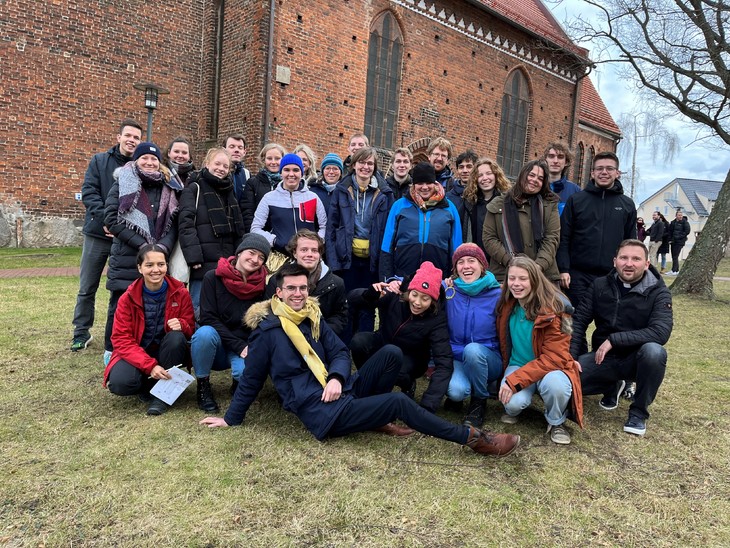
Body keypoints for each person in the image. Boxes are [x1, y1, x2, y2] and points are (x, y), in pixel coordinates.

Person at [199, 262, 521, 458]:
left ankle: (374, 418)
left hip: (341, 389)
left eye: (302, 287)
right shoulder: (267, 332)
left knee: (390, 354)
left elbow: (339, 350)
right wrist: (231, 418)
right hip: (321, 411)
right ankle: (474, 439)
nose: (298, 293)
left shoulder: (312, 316)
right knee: (398, 402)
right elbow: (252, 379)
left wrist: (339, 377)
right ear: (278, 293)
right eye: (291, 289)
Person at [573, 240, 673, 436]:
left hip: (636, 360)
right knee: (565, 384)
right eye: (624, 258)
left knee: (655, 352)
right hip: (603, 358)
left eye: (636, 259)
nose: (629, 263)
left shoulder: (659, 291)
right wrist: (571, 359)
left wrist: (614, 339)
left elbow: (661, 331)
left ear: (646, 264)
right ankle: (612, 384)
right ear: (614, 261)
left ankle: (638, 412)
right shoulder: (599, 285)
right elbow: (578, 323)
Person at [103, 142, 183, 362]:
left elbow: (174, 222)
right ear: (135, 160)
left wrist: (163, 248)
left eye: (154, 159)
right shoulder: (122, 182)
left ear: (160, 163)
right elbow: (111, 219)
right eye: (144, 158)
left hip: (158, 257)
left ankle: (150, 350)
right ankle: (113, 352)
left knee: (152, 306)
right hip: (128, 255)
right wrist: (143, 246)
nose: (149, 162)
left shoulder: (170, 186)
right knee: (121, 302)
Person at [71, 118, 142, 352]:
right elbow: (89, 192)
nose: (132, 140)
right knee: (87, 286)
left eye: (136, 138)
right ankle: (81, 333)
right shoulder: (100, 161)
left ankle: (119, 335)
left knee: (121, 289)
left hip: (123, 239)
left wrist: (119, 226)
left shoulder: (140, 166)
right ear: (119, 137)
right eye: (128, 136)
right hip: (97, 234)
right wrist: (106, 220)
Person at [496, 255, 583, 445]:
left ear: (534, 280)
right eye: (512, 278)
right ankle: (521, 401)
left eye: (523, 279)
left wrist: (513, 381)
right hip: (518, 364)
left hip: (550, 367)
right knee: (512, 404)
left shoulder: (559, 309)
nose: (516, 284)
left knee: (556, 386)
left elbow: (555, 357)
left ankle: (556, 420)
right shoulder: (507, 303)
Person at [349, 262, 453, 413]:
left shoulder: (437, 319)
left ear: (433, 301)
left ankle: (407, 385)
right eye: (415, 295)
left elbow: (444, 362)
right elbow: (352, 299)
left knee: (397, 370)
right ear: (409, 291)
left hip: (411, 359)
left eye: (425, 298)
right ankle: (366, 384)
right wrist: (370, 294)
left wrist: (428, 406)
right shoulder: (395, 295)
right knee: (359, 342)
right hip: (383, 343)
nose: (417, 302)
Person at [103, 244, 195, 415]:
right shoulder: (127, 298)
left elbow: (191, 329)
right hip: (138, 353)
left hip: (168, 352)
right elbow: (121, 340)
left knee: (176, 338)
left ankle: (161, 398)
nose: (156, 270)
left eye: (161, 264)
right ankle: (149, 384)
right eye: (149, 265)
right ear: (140, 268)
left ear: (167, 266)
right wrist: (150, 366)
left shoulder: (181, 292)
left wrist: (183, 324)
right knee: (121, 384)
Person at [192, 233, 270, 412]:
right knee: (204, 333)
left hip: (245, 344)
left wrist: (248, 348)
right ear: (240, 252)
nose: (255, 259)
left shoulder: (264, 285)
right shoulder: (212, 277)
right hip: (217, 343)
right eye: (251, 252)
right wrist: (238, 346)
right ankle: (203, 386)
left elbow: (263, 321)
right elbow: (208, 317)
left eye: (261, 257)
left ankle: (238, 384)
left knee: (244, 374)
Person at [326, 146, 393, 336]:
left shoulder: (385, 193)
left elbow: (389, 230)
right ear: (354, 165)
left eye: (370, 163)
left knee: (368, 305)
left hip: (373, 261)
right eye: (362, 162)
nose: (366, 167)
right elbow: (331, 228)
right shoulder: (341, 190)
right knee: (347, 304)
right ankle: (344, 349)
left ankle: (362, 347)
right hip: (348, 259)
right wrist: (334, 261)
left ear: (375, 167)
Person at [557, 151, 637, 310]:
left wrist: (628, 271)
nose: (604, 172)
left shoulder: (627, 204)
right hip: (577, 276)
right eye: (599, 169)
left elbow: (631, 243)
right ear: (592, 173)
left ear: (617, 173)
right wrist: (563, 269)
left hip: (611, 275)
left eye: (609, 168)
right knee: (574, 323)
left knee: (608, 324)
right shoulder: (577, 200)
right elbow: (563, 237)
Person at [177, 147, 244, 314]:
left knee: (222, 310)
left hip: (226, 262)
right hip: (202, 262)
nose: (221, 169)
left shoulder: (229, 192)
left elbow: (237, 230)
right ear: (207, 163)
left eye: (225, 166)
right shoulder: (194, 188)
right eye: (217, 163)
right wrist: (193, 257)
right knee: (198, 309)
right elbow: (185, 224)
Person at [443, 244, 503, 428]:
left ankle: (479, 401)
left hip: (488, 357)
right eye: (460, 262)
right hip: (458, 357)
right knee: (455, 392)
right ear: (455, 269)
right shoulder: (449, 290)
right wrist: (396, 282)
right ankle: (465, 389)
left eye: (472, 261)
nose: (466, 266)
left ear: (482, 265)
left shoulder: (498, 293)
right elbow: (422, 282)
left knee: (473, 351)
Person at [380, 162, 462, 281]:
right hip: (402, 277)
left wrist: (453, 278)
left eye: (428, 182)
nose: (424, 187)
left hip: (437, 278)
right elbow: (387, 245)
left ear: (434, 183)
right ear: (413, 184)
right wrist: (387, 278)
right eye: (420, 183)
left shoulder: (450, 208)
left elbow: (456, 247)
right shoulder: (399, 206)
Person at [483, 160, 561, 284]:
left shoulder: (549, 205)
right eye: (532, 175)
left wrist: (537, 267)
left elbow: (551, 239)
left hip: (543, 275)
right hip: (505, 274)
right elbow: (489, 238)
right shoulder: (498, 204)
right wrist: (512, 263)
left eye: (540, 178)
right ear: (523, 175)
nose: (535, 180)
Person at [266, 230, 348, 337]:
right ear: (295, 253)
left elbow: (339, 316)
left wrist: (319, 333)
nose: (309, 254)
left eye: (314, 250)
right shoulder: (276, 280)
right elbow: (268, 313)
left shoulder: (336, 283)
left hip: (320, 339)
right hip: (284, 338)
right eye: (304, 250)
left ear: (320, 254)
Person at [251, 153, 327, 254]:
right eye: (286, 170)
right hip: (279, 257)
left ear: (302, 172)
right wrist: (274, 241)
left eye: (296, 170)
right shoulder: (269, 198)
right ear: (281, 173)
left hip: (308, 256)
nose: (291, 174)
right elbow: (255, 228)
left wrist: (317, 242)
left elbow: (324, 226)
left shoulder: (313, 197)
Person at [448, 157, 510, 257]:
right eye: (480, 175)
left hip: (500, 259)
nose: (485, 178)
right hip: (476, 259)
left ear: (496, 175)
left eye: (489, 173)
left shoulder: (507, 203)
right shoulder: (469, 203)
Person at [241, 143, 286, 232]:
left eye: (277, 159)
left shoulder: (287, 183)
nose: (273, 162)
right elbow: (247, 212)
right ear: (263, 160)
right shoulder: (252, 183)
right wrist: (253, 234)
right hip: (259, 234)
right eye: (269, 158)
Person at [542, 142, 581, 216]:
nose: (555, 161)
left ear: (566, 162)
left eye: (560, 157)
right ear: (545, 160)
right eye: (551, 156)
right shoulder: (537, 187)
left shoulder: (576, 191)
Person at [224, 133, 250, 209]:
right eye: (232, 147)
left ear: (244, 152)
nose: (236, 150)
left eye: (240, 147)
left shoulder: (247, 174)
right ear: (224, 149)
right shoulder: (218, 171)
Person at [666, 209, 691, 275]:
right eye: (679, 215)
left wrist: (679, 236)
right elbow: (670, 231)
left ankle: (676, 270)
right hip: (673, 241)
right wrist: (670, 239)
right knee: (673, 256)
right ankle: (673, 270)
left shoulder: (684, 222)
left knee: (675, 255)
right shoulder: (673, 222)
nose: (680, 216)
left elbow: (687, 231)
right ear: (676, 216)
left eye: (681, 215)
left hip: (680, 242)